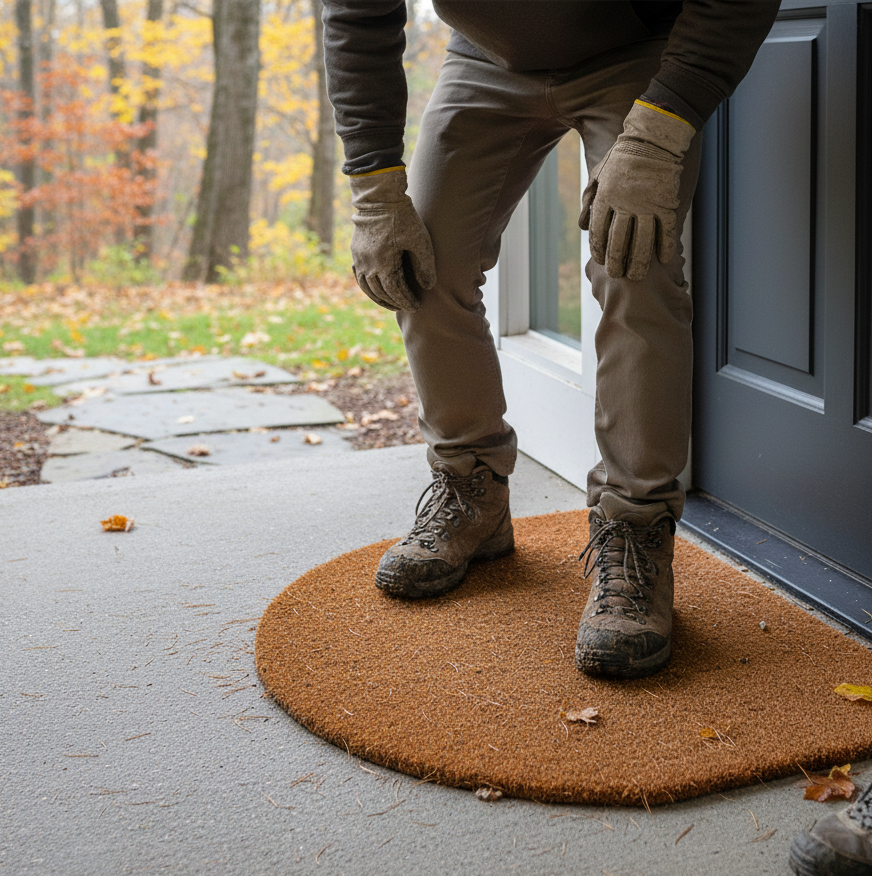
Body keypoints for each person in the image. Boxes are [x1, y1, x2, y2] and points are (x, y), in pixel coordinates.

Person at [322, 0, 780, 678]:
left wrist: (658, 134)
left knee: (637, 262)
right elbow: (359, 18)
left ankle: (635, 525)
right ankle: (469, 488)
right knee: (424, 258)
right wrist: (374, 187)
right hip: (486, 59)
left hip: (636, 54)